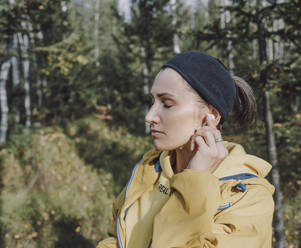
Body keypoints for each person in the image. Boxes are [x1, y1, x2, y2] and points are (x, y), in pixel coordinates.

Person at [97, 51, 275, 248]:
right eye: (153, 102)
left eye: (166, 104)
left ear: (211, 116)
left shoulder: (247, 197)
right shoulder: (149, 170)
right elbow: (116, 238)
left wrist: (195, 182)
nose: (150, 116)